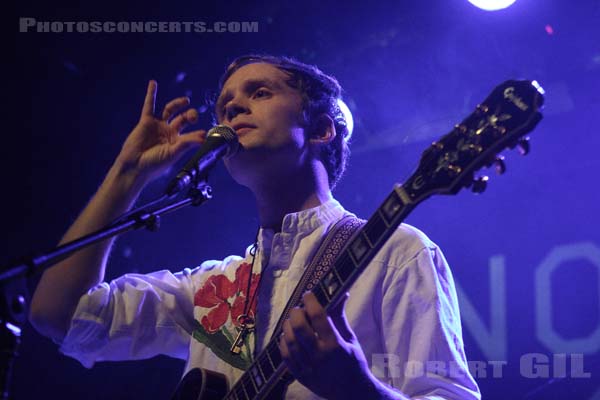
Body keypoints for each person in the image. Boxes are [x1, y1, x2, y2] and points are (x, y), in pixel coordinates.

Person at [29, 55, 481, 399]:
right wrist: (127, 174)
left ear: (322, 129)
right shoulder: (212, 287)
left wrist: (357, 388)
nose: (232, 109)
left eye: (259, 92)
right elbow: (59, 315)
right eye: (225, 106)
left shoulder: (395, 251)